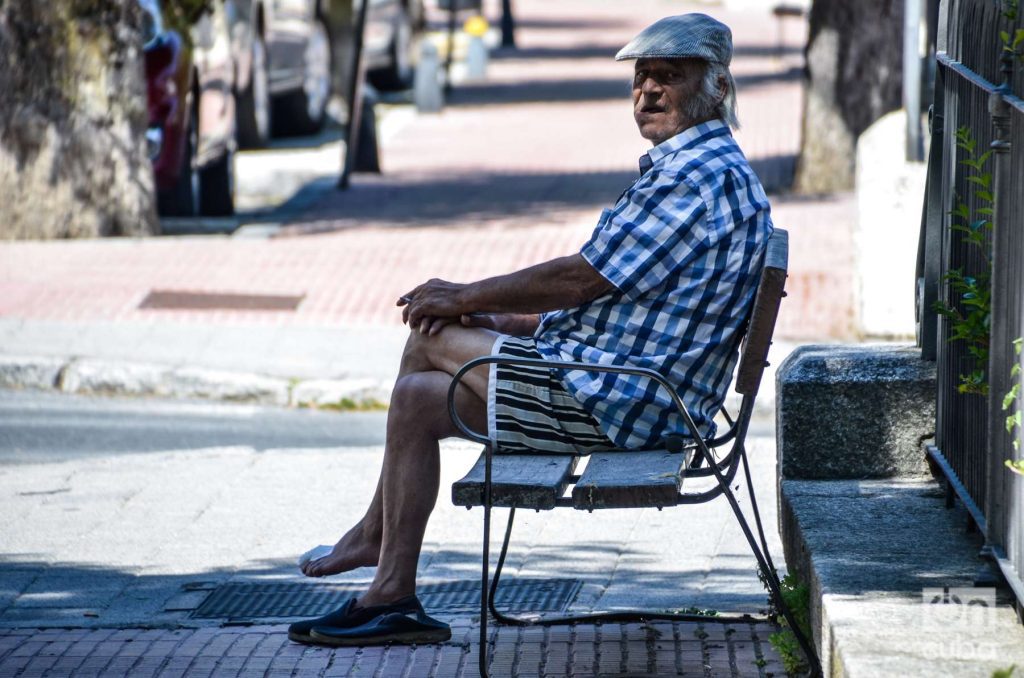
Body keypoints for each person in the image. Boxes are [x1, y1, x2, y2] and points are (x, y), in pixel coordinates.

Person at [288, 12, 773, 647]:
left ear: (717, 88)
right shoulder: (705, 169)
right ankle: (392, 591)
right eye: (641, 78)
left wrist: (465, 294)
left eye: (669, 77)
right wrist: (501, 318)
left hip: (626, 403)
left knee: (430, 333)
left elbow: (582, 280)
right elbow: (623, 300)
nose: (648, 91)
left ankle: (376, 543)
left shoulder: (694, 181)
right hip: (621, 385)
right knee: (416, 398)